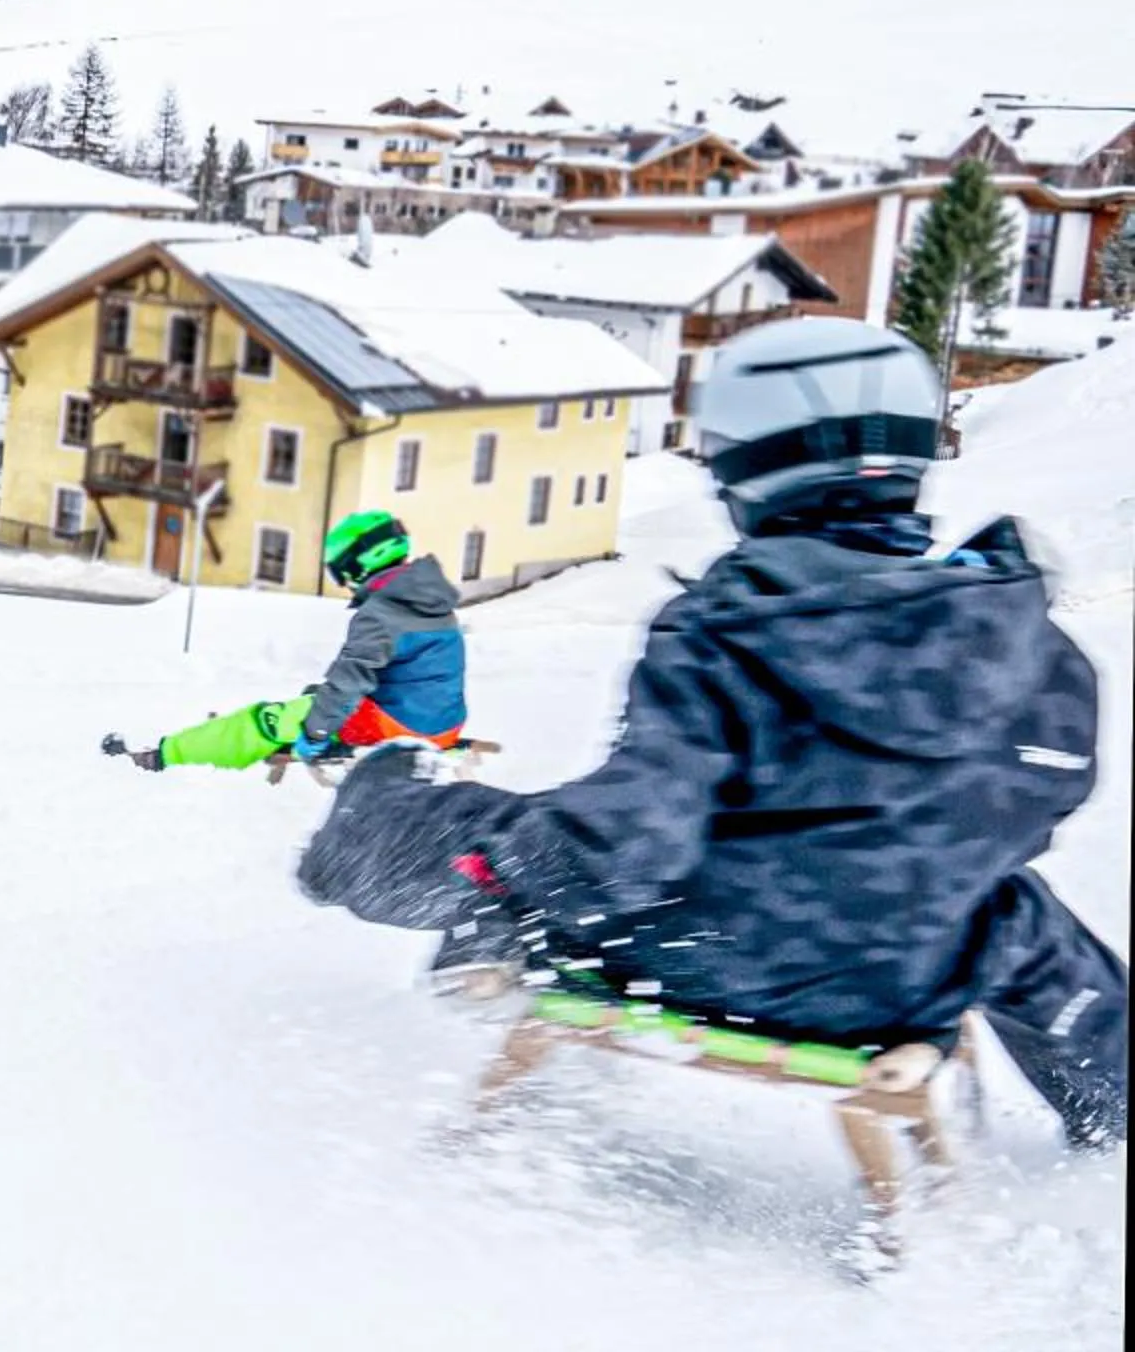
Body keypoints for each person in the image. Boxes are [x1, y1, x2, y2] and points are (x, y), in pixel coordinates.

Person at [293, 317, 1125, 1149]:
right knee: (1017, 912)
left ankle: (387, 857)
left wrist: (506, 881)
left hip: (703, 955)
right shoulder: (1025, 644)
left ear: (751, 471)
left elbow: (627, 841)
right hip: (905, 982)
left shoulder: (726, 629)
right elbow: (1039, 801)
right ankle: (1112, 1112)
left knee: (489, 823)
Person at [120, 510, 466, 771]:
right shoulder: (432, 601)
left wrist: (315, 735)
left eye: (342, 571)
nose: (346, 582)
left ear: (359, 561)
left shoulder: (381, 613)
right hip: (442, 727)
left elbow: (347, 683)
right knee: (316, 698)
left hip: (397, 730)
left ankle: (168, 754)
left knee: (267, 720)